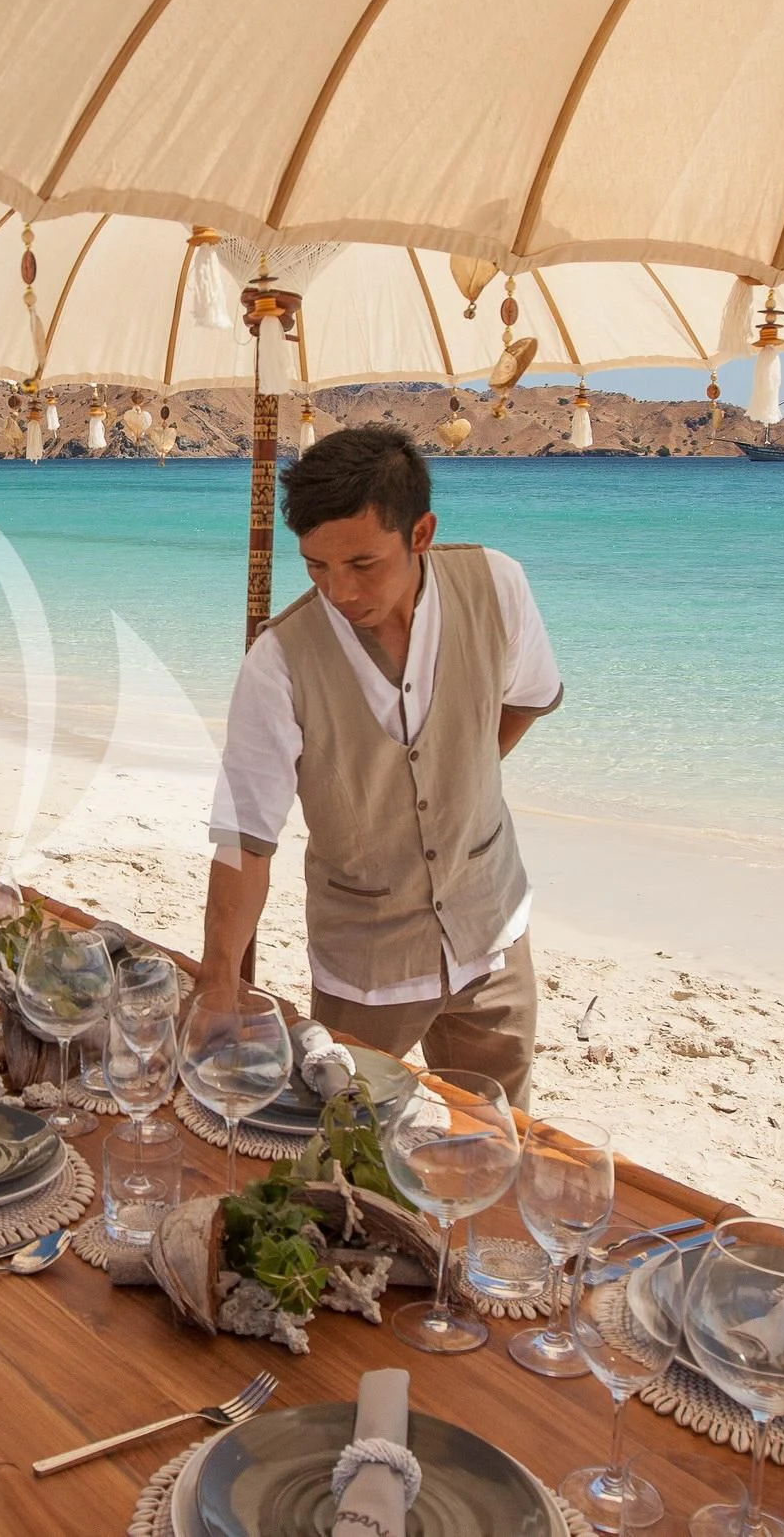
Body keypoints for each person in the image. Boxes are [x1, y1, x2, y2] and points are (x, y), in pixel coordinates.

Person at [199, 426, 563, 1103]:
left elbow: (527, 700)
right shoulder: (277, 661)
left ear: (420, 532)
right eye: (316, 566)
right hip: (365, 965)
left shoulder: (498, 585)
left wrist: (470, 772)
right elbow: (245, 837)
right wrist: (218, 979)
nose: (339, 590)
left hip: (493, 932)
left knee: (494, 1144)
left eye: (362, 564)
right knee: (344, 1146)